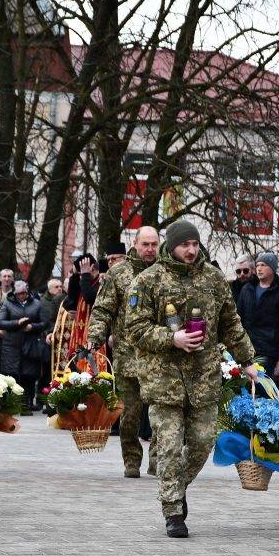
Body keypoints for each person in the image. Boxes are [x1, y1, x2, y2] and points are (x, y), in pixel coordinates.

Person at [123, 220, 257, 539]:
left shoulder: (212, 278)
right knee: (168, 446)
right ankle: (172, 511)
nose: (191, 250)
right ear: (171, 246)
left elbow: (230, 322)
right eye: (185, 245)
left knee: (202, 442)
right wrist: (172, 338)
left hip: (203, 380)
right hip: (164, 381)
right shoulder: (148, 280)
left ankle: (176, 488)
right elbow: (135, 328)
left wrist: (247, 360)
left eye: (195, 244)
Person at [87, 226, 160, 478]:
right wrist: (94, 338)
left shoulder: (167, 273)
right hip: (128, 357)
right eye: (145, 244)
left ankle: (158, 460)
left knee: (162, 412)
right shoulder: (119, 274)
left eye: (154, 244)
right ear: (135, 244)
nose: (150, 249)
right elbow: (102, 311)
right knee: (130, 415)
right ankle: (131, 459)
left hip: (161, 357)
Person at [236, 252, 279, 380]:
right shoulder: (247, 289)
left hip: (268, 348)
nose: (259, 268)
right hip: (247, 346)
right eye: (257, 265)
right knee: (242, 385)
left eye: (263, 265)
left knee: (262, 386)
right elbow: (238, 318)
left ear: (272, 268)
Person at [0, 280, 47, 415]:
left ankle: (27, 404)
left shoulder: (37, 304)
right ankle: (15, 403)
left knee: (30, 375)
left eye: (24, 293)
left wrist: (32, 327)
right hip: (12, 344)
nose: (22, 296)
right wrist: (17, 323)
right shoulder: (7, 303)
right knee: (13, 375)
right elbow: (1, 322)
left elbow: (44, 322)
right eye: (19, 294)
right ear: (14, 293)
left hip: (31, 344)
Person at [61, 253, 101, 360]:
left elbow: (89, 297)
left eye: (82, 274)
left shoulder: (101, 282)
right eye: (80, 275)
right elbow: (71, 301)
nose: (81, 278)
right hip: (81, 336)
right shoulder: (85, 282)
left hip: (97, 337)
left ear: (91, 268)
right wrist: (74, 275)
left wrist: (85, 275)